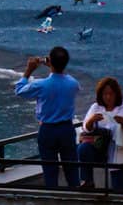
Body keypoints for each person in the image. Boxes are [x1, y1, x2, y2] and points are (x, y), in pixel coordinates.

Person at [15, 46, 81, 189]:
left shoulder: (41, 85)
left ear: (49, 61)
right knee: (72, 170)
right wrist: (53, 65)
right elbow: (69, 82)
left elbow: (19, 91)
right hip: (67, 129)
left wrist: (29, 71)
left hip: (48, 130)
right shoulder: (73, 83)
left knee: (50, 171)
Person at [77, 76, 123, 190]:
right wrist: (91, 121)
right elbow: (86, 128)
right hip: (99, 147)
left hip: (118, 150)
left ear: (117, 94)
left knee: (120, 188)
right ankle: (87, 180)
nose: (108, 97)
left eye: (111, 94)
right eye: (105, 94)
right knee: (83, 148)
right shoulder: (96, 107)